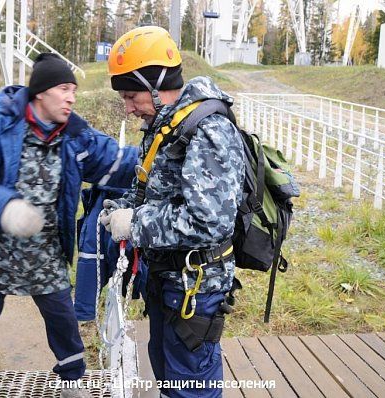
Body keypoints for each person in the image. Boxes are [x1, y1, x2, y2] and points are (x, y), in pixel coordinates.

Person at [0, 53, 137, 398]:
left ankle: (72, 384)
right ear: (41, 93)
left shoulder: (75, 136)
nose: (71, 97)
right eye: (64, 88)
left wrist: (167, 147)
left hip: (45, 256)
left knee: (63, 325)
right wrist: (4, 209)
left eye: (73, 90)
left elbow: (120, 161)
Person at [101, 26, 246, 398]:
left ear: (155, 85)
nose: (128, 107)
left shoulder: (208, 130)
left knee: (190, 385)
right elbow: (152, 188)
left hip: (195, 286)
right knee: (168, 373)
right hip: (166, 278)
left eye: (132, 96)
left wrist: (135, 224)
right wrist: (122, 210)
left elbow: (208, 221)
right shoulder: (165, 123)